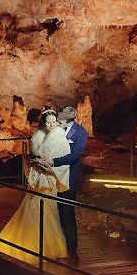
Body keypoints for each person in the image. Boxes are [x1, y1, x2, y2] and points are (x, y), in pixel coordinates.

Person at [0, 110, 69, 265]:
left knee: (50, 211)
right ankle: (39, 245)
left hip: (49, 178)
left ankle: (49, 244)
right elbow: (31, 158)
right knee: (37, 211)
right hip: (42, 178)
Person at [37, 106, 88, 263]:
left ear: (69, 122)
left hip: (68, 178)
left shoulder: (80, 133)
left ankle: (72, 249)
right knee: (51, 211)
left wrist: (53, 161)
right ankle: (52, 246)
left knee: (67, 212)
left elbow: (75, 156)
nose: (57, 123)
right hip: (50, 177)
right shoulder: (54, 127)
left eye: (60, 121)